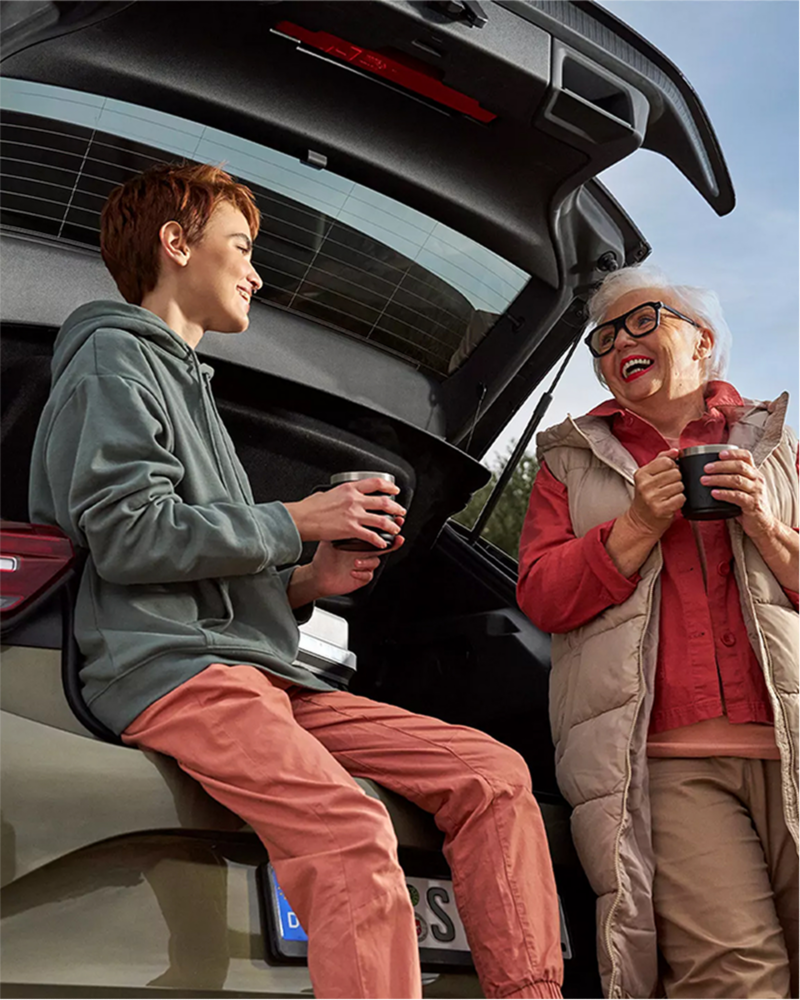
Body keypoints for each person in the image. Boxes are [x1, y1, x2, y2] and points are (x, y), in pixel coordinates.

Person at [28, 162, 564, 1000]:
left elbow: (212, 581)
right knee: (349, 831)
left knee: (492, 772)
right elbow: (130, 538)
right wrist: (299, 520)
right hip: (177, 674)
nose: (256, 272)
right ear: (175, 245)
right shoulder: (111, 364)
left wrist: (310, 577)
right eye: (239, 246)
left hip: (262, 673)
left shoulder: (190, 387)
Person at [516, 264, 798, 1000]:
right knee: (738, 977)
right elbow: (543, 596)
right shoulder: (569, 461)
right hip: (666, 764)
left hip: (792, 744)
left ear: (702, 339)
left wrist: (766, 526)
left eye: (644, 320)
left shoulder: (778, 446)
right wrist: (636, 526)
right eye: (603, 338)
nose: (619, 344)